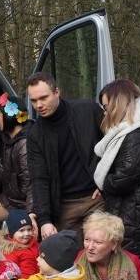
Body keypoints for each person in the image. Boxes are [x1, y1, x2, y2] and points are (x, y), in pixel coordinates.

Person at [92, 79, 140, 263]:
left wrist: (104, 182)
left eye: (106, 107)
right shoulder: (132, 130)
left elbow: (122, 180)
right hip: (133, 215)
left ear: (118, 104)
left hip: (133, 219)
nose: (104, 112)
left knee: (127, 274)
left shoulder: (136, 137)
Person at [25, 71, 104, 241]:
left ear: (57, 92)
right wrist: (44, 220)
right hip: (64, 207)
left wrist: (107, 181)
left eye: (44, 98)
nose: (39, 105)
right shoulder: (35, 134)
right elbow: (39, 179)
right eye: (33, 101)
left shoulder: (87, 111)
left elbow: (114, 144)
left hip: (96, 199)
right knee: (70, 261)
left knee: (101, 251)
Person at [0, 93, 32, 226]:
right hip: (8, 199)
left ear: (9, 116)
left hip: (22, 205)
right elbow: (3, 168)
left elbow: (30, 185)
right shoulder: (9, 139)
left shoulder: (24, 144)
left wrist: (30, 214)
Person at [0, 209, 40, 280]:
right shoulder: (10, 251)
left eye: (29, 229)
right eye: (21, 230)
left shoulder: (36, 245)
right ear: (12, 233)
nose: (26, 233)